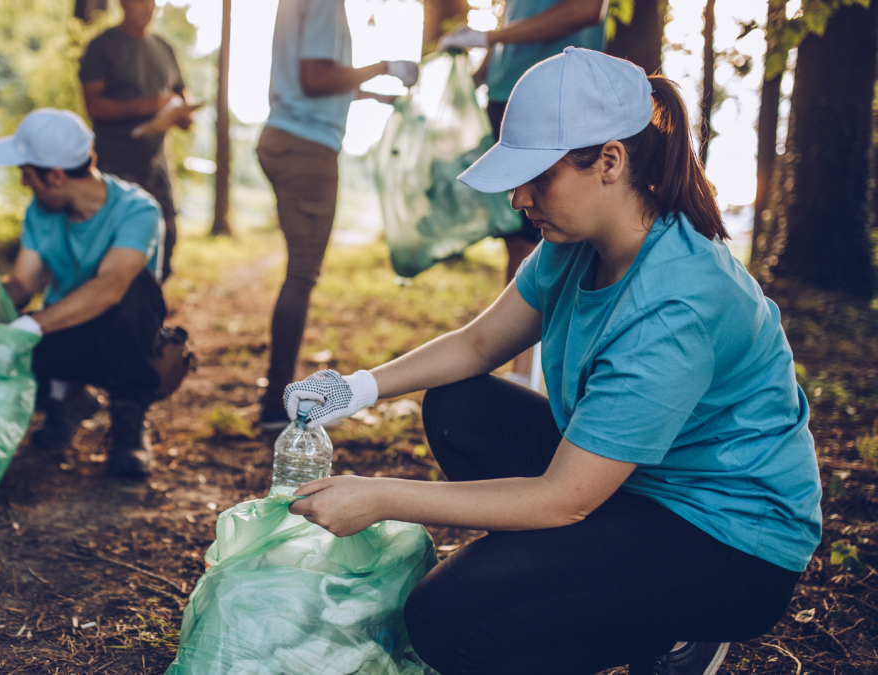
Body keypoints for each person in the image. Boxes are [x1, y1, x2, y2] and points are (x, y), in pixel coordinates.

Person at [282, 49, 822, 675]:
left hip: (728, 544)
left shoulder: (679, 303)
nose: (518, 197)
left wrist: (380, 496)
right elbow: (479, 345)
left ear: (610, 162)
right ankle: (567, 589)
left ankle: (671, 629)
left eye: (538, 176)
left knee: (446, 622)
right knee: (460, 404)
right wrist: (359, 388)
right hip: (632, 489)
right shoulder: (575, 243)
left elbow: (563, 499)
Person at [257, 0, 420, 430]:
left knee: (299, 273)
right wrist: (383, 65)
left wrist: (373, 93)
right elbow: (315, 79)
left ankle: (275, 396)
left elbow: (312, 78)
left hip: (285, 134)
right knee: (302, 275)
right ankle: (275, 403)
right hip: (306, 144)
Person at [0, 108, 167, 478]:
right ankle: (66, 400)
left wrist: (33, 325)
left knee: (137, 290)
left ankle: (129, 425)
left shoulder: (139, 210)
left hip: (121, 339)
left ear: (54, 176)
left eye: (27, 174)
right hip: (63, 332)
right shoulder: (40, 212)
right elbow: (21, 285)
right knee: (4, 360)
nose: (24, 183)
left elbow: (111, 287)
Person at [438, 0, 605, 384]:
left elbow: (584, 10)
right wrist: (467, 77)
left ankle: (550, 373)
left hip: (555, 102)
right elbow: (513, 39)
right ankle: (521, 372)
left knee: (556, 239)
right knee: (520, 241)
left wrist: (488, 37)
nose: (518, 197)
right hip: (506, 100)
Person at [79, 0, 197, 282]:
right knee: (109, 246)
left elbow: (182, 94)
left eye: (153, 1)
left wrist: (184, 113)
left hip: (156, 165)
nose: (149, 7)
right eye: (141, 1)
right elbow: (94, 106)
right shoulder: (102, 46)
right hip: (114, 164)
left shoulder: (164, 48)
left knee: (166, 239)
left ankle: (150, 312)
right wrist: (147, 105)